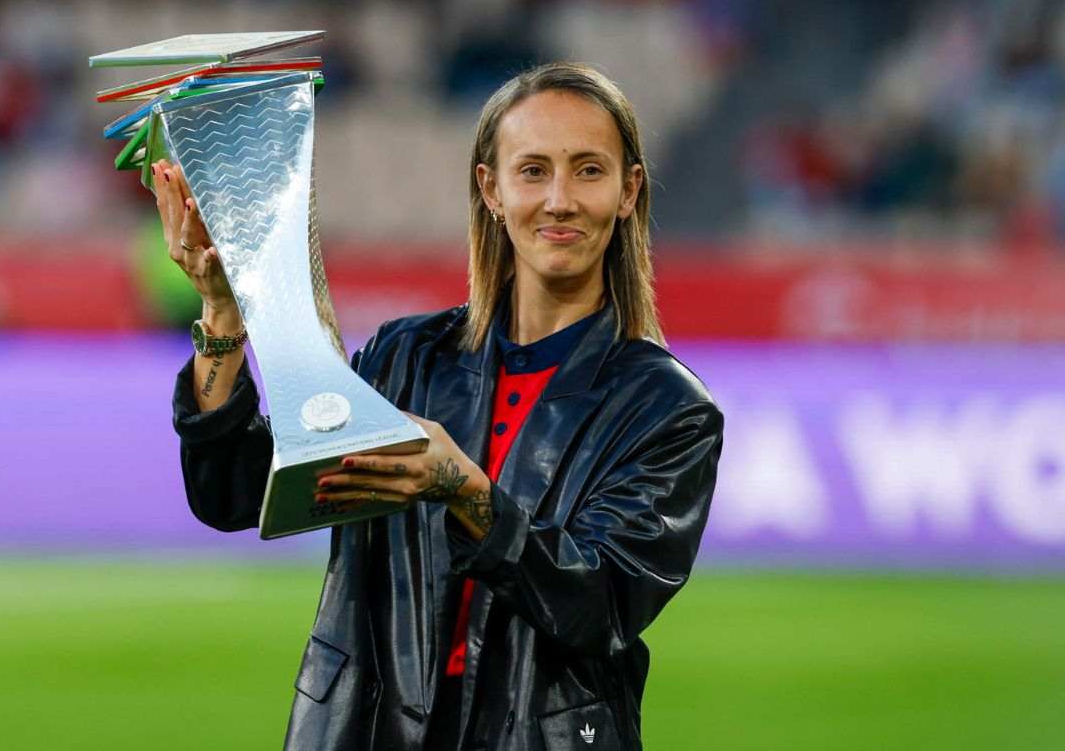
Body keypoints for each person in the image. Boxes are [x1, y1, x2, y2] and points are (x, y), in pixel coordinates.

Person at [154, 62, 723, 751]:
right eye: (534, 170)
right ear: (491, 188)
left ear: (630, 191)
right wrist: (221, 314)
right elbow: (233, 492)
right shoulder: (406, 357)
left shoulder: (668, 409)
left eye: (589, 171)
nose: (561, 200)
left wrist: (464, 490)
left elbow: (597, 607)